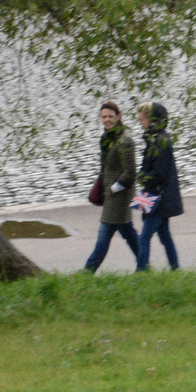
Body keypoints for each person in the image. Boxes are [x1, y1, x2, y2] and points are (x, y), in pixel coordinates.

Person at [81, 101, 138, 273]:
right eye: (104, 117)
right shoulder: (107, 139)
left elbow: (130, 173)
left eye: (110, 116)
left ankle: (87, 271)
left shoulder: (124, 141)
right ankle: (144, 264)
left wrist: (114, 188)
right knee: (128, 232)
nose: (106, 120)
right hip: (110, 193)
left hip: (120, 194)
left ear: (118, 117)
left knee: (105, 233)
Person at [133, 102, 183, 271]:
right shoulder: (153, 139)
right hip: (153, 195)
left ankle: (141, 272)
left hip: (159, 198)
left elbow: (160, 174)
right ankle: (176, 269)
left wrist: (142, 177)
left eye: (143, 119)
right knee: (164, 236)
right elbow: (146, 166)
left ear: (153, 119)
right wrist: (142, 174)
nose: (140, 122)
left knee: (144, 237)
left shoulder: (161, 142)